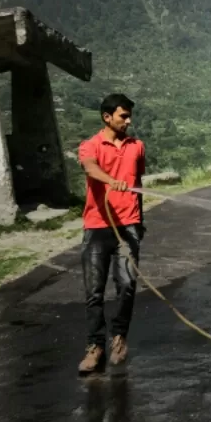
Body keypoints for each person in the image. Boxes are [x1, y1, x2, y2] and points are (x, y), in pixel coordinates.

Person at [76, 93, 146, 376]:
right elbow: (90, 168)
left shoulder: (137, 147)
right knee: (94, 291)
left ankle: (119, 338)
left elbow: (138, 182)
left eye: (129, 116)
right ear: (107, 117)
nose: (128, 121)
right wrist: (110, 180)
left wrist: (140, 221)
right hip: (96, 227)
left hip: (128, 226)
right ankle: (95, 347)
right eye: (123, 116)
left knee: (127, 286)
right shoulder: (90, 146)